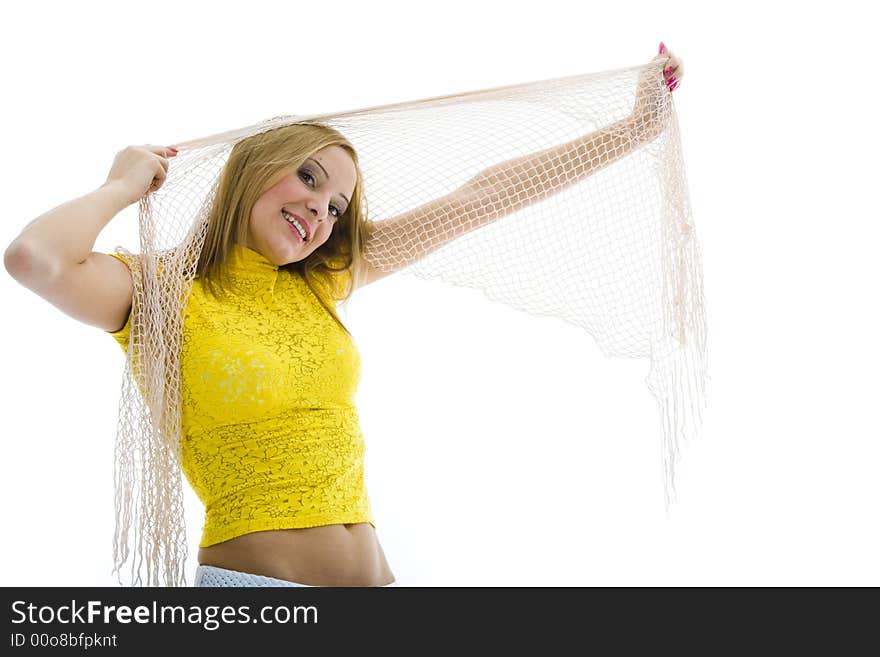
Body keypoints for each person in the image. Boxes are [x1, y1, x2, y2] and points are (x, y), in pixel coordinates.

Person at [4, 45, 683, 588]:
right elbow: (36, 258)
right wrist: (122, 184)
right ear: (253, 167)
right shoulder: (157, 293)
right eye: (309, 178)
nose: (321, 212)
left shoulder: (321, 284)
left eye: (336, 206)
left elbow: (481, 196)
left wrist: (633, 131)